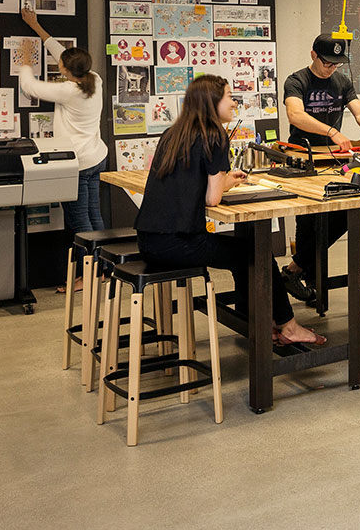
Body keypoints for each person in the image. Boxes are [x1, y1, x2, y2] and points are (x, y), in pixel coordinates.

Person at [135, 74, 323, 346]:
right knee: (256, 253)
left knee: (242, 254)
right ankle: (288, 326)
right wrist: (223, 182)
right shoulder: (214, 135)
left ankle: (254, 321)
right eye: (229, 96)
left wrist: (224, 180)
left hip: (149, 241)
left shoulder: (173, 133)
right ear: (212, 102)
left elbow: (195, 185)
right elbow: (212, 199)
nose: (234, 102)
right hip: (179, 243)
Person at [279, 34, 360, 302]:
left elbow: (359, 110)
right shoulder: (297, 81)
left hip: (333, 161)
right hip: (303, 158)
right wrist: (332, 131)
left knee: (344, 215)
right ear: (313, 55)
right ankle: (310, 283)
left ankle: (293, 270)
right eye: (327, 63)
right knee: (307, 222)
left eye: (337, 64)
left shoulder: (341, 82)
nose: (332, 68)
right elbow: (295, 115)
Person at [18, 7, 108, 267]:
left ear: (65, 70)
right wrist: (36, 27)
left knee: (80, 222)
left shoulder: (69, 91)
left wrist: (26, 59)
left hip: (79, 163)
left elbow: (29, 86)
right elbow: (63, 54)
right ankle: (102, 269)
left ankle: (89, 276)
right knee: (94, 216)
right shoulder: (94, 79)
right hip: (96, 157)